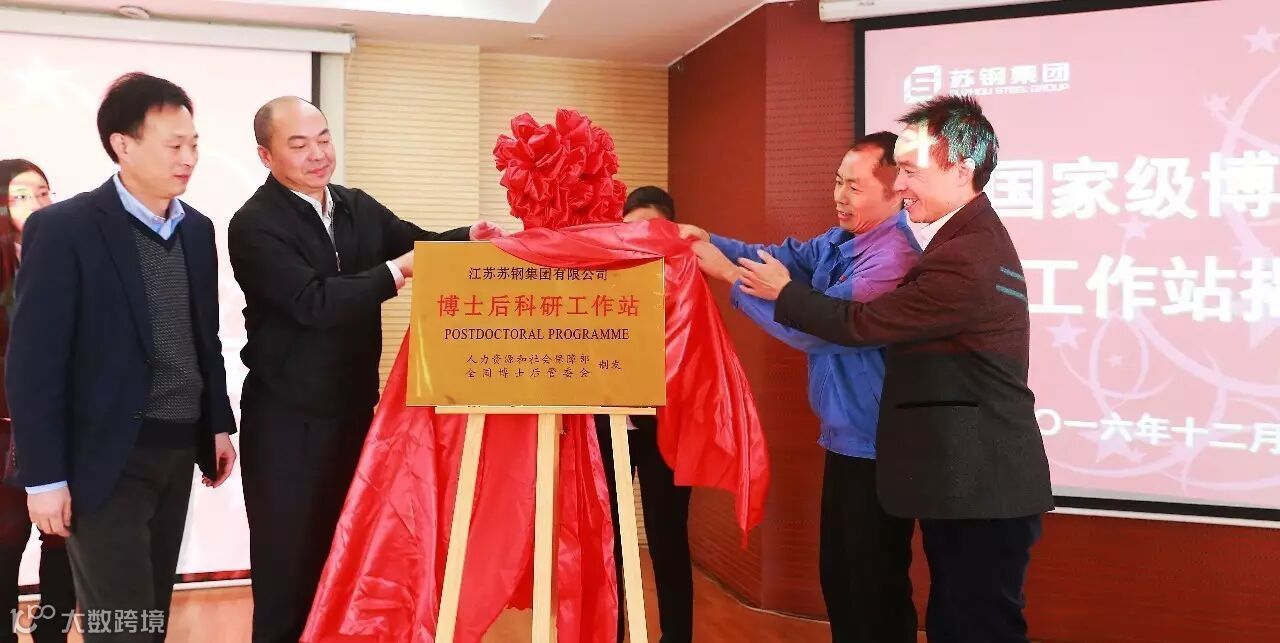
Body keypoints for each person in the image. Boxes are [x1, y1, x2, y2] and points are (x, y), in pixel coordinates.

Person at [735, 95, 1053, 643]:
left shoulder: (964, 257)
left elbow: (860, 323)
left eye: (910, 171)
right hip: (966, 480)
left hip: (983, 484)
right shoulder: (960, 240)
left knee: (974, 627)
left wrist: (784, 293)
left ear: (961, 169)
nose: (899, 185)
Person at [227, 96, 504, 643]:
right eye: (299, 144)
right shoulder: (254, 223)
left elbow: (417, 244)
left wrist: (466, 239)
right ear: (266, 155)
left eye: (323, 139)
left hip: (356, 416)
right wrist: (396, 272)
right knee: (288, 573)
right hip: (287, 425)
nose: (318, 154)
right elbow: (312, 301)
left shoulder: (355, 206)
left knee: (349, 562)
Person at [6, 73, 239, 642]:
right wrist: (44, 478)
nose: (188, 158)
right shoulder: (64, 228)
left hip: (176, 449)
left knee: (149, 614)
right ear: (123, 145)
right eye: (173, 145)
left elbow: (203, 337)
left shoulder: (197, 230)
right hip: (101, 456)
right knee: (119, 624)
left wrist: (216, 424)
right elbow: (33, 364)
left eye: (193, 143)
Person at [681, 133, 922, 643]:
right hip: (844, 442)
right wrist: (708, 240)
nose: (840, 196)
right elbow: (776, 258)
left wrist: (726, 274)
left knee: (874, 586)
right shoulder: (838, 242)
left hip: (882, 448)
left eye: (854, 187)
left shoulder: (893, 260)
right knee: (841, 578)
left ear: (896, 191)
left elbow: (819, 329)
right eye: (838, 182)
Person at [594, 185, 694, 643]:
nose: (640, 240)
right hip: (609, 425)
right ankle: (611, 632)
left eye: (652, 230)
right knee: (608, 538)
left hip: (667, 428)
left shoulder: (684, 284)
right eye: (630, 230)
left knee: (668, 538)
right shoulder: (602, 278)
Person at [0, 159, 76, 643]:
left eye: (44, 193)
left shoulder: (70, 256)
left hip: (65, 424)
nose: (38, 204)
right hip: (6, 426)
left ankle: (53, 635)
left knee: (63, 541)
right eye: (22, 195)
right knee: (6, 542)